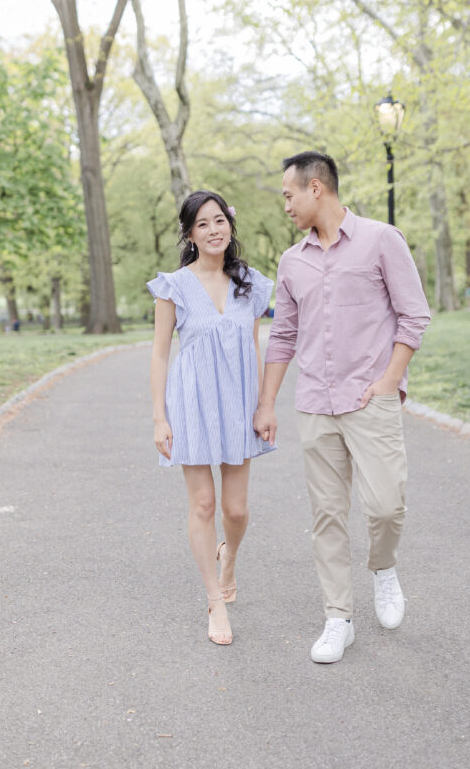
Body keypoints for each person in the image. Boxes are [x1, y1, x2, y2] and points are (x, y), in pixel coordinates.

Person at [254, 152, 430, 663]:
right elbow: (283, 336)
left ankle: (384, 567)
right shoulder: (293, 262)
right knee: (327, 515)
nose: (284, 204)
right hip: (315, 403)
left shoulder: (381, 240)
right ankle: (338, 618)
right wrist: (268, 403)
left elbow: (413, 316)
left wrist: (388, 382)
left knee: (386, 504)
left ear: (315, 189)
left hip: (369, 399)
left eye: (288, 194)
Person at [148, 190, 274, 646]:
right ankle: (214, 602)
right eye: (202, 223)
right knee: (203, 505)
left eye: (219, 220)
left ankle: (230, 558)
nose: (213, 229)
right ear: (189, 234)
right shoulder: (173, 286)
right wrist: (160, 418)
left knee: (236, 510)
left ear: (230, 225)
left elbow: (254, 349)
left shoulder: (251, 284)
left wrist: (265, 404)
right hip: (192, 405)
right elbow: (161, 355)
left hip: (239, 405)